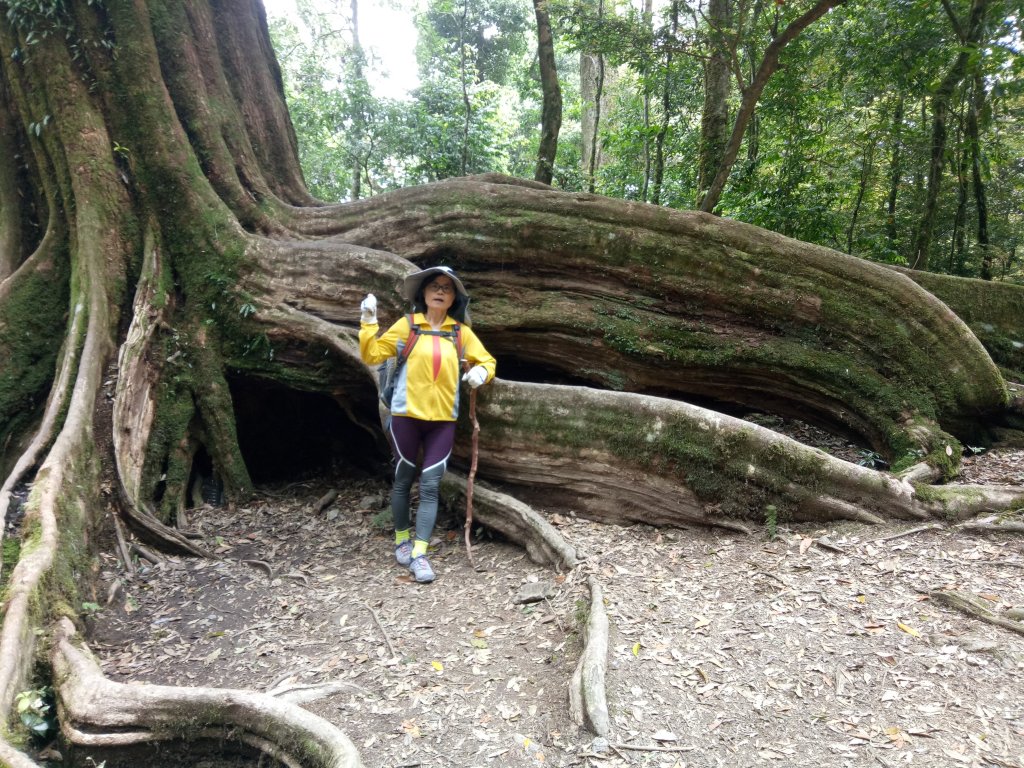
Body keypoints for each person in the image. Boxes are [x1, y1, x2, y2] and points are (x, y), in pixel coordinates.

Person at [358, 266, 496, 583]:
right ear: (423, 293)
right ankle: (401, 540)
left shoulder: (460, 333)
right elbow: (372, 353)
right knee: (404, 478)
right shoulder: (408, 326)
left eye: (447, 289)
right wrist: (368, 322)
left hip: (443, 421)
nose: (440, 291)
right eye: (434, 286)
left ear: (453, 299)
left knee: (431, 485)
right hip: (406, 416)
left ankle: (420, 554)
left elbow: (487, 361)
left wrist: (481, 374)